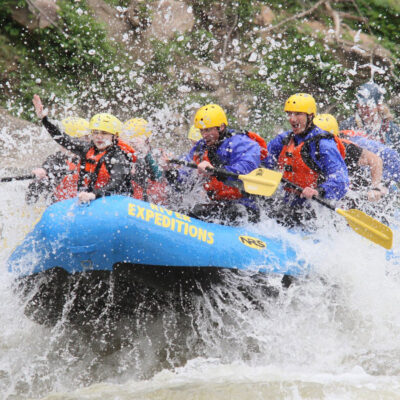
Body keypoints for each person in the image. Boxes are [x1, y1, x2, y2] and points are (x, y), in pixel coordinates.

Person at [262, 93, 349, 227]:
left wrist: (318, 191)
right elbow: (263, 160)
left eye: (298, 114)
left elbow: (341, 179)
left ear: (310, 116)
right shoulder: (284, 140)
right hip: (289, 200)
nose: (292, 119)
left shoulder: (323, 144)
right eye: (290, 114)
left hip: (317, 207)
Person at [166, 104, 262, 224]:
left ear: (221, 127)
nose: (204, 135)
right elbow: (186, 175)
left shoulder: (241, 143)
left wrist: (215, 170)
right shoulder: (200, 147)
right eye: (201, 131)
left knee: (235, 211)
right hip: (218, 204)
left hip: (245, 206)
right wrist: (171, 172)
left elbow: (247, 168)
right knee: (187, 211)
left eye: (208, 130)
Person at [32, 94, 136, 203]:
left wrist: (94, 194)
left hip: (113, 202)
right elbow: (62, 138)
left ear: (114, 136)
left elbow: (116, 182)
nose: (99, 137)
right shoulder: (86, 149)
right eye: (96, 133)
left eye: (104, 133)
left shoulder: (119, 157)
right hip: (89, 200)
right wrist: (44, 120)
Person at [313, 114, 386, 203]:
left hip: (357, 194)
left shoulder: (347, 149)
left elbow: (376, 160)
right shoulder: (305, 149)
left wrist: (376, 188)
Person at [26, 117, 90, 204]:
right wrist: (40, 176)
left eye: (87, 139)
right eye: (83, 140)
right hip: (59, 208)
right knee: (42, 183)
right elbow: (30, 201)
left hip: (86, 204)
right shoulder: (55, 160)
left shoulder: (91, 158)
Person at [340, 82, 400, 152]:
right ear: (357, 105)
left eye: (369, 106)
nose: (365, 110)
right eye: (362, 106)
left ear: (379, 106)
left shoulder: (392, 130)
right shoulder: (348, 125)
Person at [122, 117, 167, 204]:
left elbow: (158, 177)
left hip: (152, 198)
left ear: (146, 139)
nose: (132, 142)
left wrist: (146, 155)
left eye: (136, 138)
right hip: (133, 196)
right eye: (130, 139)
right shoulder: (124, 154)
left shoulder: (156, 154)